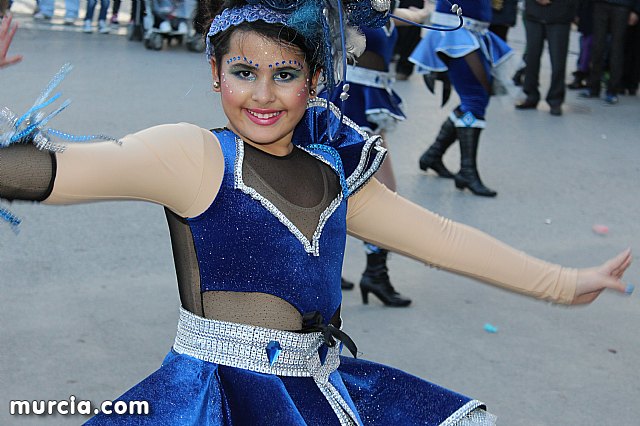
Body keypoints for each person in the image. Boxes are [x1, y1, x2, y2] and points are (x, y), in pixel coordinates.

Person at [1, 1, 633, 424]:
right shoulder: (192, 156)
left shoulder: (335, 172)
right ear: (215, 71)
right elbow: (51, 172)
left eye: (286, 73)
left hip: (322, 393)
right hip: (214, 400)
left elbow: (440, 238)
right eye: (244, 71)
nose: (264, 94)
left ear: (315, 79)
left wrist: (565, 283)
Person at [324, 2, 431, 306]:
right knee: (368, 196)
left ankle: (369, 272)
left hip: (368, 112)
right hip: (349, 108)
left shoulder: (381, 9)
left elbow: (407, 17)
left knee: (362, 196)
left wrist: (428, 13)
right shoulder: (347, 9)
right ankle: (367, 274)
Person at [410, 0, 512, 197]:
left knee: (476, 98)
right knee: (475, 99)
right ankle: (466, 171)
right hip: (457, 29)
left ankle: (433, 155)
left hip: (473, 29)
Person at [514, 0, 579, 116]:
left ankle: (555, 99)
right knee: (531, 57)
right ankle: (530, 95)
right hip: (534, 12)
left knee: (558, 60)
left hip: (561, 14)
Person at [581, 0, 640, 104]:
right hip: (601, 4)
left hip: (623, 6)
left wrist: (636, 10)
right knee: (597, 47)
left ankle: (613, 90)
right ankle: (593, 86)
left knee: (617, 49)